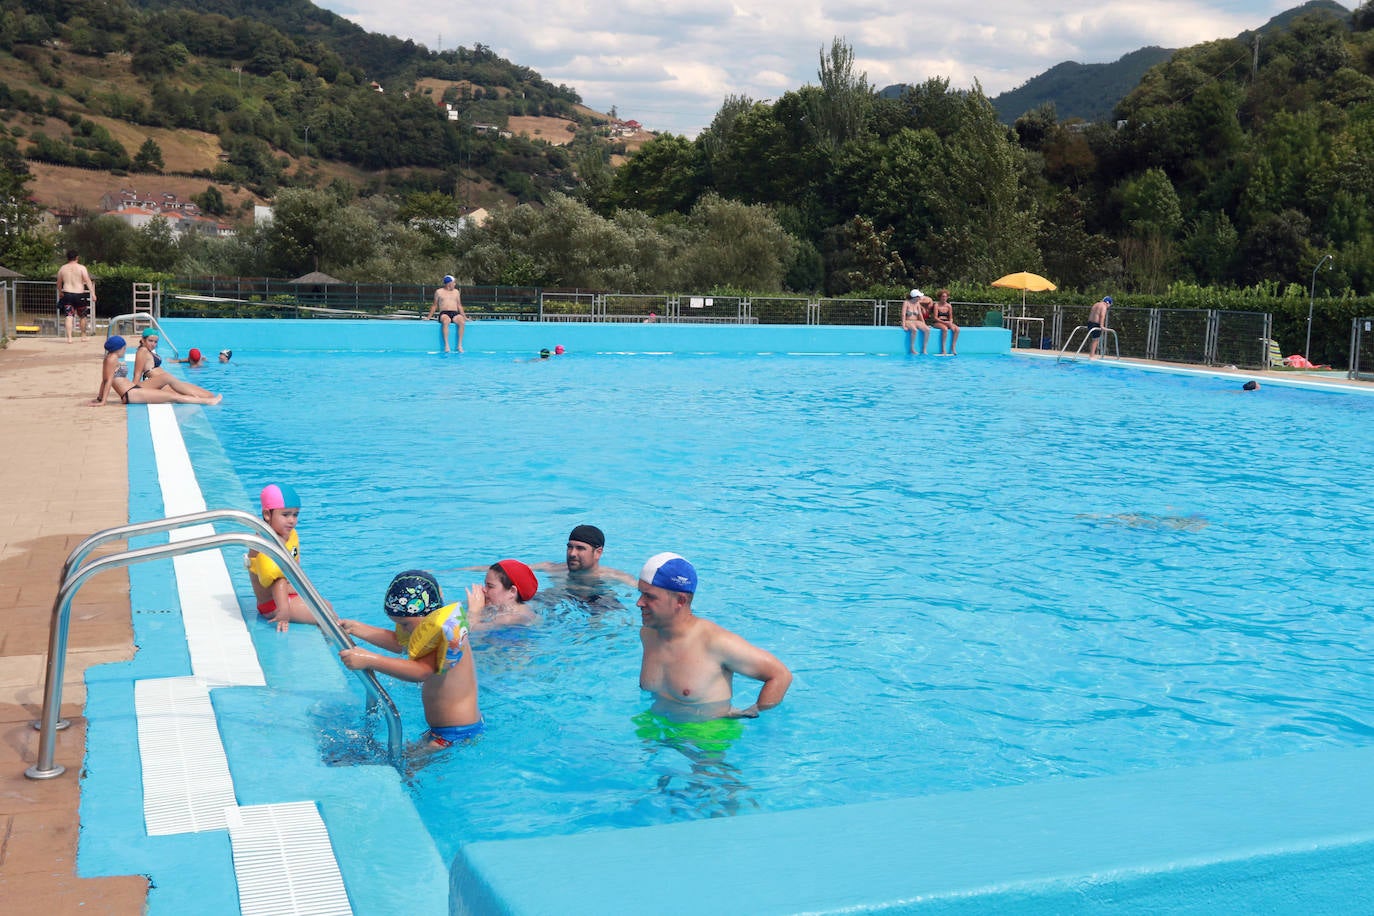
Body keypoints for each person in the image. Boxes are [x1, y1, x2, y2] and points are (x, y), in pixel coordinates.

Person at [637, 552, 792, 721]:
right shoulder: (648, 634)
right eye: (641, 593)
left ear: (680, 600)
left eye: (649, 596)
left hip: (704, 739)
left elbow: (780, 675)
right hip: (654, 726)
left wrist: (753, 714)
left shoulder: (717, 643)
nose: (639, 602)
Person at [339, 570, 483, 749]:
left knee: (406, 771)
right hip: (446, 730)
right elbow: (399, 643)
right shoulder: (427, 626)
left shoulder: (440, 636)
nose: (402, 629)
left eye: (404, 624)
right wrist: (355, 627)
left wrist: (370, 660)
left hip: (455, 733)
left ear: (424, 614)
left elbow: (421, 671)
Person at [246, 484, 324, 632]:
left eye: (295, 514)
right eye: (286, 514)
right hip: (273, 604)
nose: (292, 520)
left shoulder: (285, 536)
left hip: (286, 596)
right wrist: (284, 611)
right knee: (325, 615)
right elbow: (277, 579)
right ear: (267, 515)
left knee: (327, 608)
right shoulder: (267, 542)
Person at [90, 336, 222, 406]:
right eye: (124, 348)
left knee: (167, 377)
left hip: (133, 388)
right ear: (118, 348)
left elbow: (106, 380)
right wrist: (102, 401)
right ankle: (207, 401)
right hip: (130, 394)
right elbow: (107, 380)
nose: (125, 351)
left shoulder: (111, 358)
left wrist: (100, 397)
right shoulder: (111, 359)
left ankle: (194, 396)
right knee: (173, 397)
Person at [531, 524, 636, 605]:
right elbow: (516, 570)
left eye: (580, 548)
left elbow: (645, 591)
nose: (572, 553)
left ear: (598, 552)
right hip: (561, 599)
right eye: (570, 547)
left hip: (598, 602)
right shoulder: (551, 568)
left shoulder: (616, 577)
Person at [132, 327, 218, 399]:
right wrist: (132, 392)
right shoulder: (142, 351)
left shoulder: (148, 351)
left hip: (170, 383)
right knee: (207, 396)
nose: (153, 344)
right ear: (143, 340)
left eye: (155, 342)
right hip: (163, 386)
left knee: (209, 394)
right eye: (150, 341)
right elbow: (137, 373)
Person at [468, 559, 539, 630]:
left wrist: (475, 611)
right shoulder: (503, 607)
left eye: (490, 586)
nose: (484, 589)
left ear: (512, 591)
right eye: (485, 584)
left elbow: (470, 631)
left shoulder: (510, 618)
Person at [56, 250, 96, 343]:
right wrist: (93, 293)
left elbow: (58, 282)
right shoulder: (81, 268)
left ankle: (69, 338)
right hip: (79, 295)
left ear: (67, 258)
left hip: (67, 294)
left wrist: (60, 292)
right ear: (77, 258)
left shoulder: (62, 268)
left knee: (69, 316)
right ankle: (83, 336)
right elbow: (88, 281)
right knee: (82, 316)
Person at [425, 275, 466, 353]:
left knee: (461, 321)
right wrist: (428, 317)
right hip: (444, 313)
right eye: (454, 283)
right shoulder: (439, 292)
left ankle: (459, 345)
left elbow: (459, 305)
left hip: (454, 312)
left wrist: (465, 317)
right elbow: (434, 305)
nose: (455, 284)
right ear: (449, 283)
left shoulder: (456, 292)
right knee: (446, 321)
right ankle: (446, 345)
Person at [900, 289, 929, 355]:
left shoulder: (917, 303)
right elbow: (903, 314)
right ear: (915, 297)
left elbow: (920, 314)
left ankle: (924, 349)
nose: (920, 298)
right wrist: (904, 325)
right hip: (908, 321)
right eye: (919, 296)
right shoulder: (906, 302)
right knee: (914, 330)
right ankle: (912, 348)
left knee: (927, 329)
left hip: (916, 321)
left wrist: (924, 324)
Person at [932, 289, 960, 356]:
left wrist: (950, 322)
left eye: (945, 296)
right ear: (940, 297)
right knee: (944, 329)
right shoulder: (936, 305)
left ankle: (953, 347)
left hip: (947, 322)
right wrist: (945, 323)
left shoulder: (949, 306)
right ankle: (943, 349)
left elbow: (951, 317)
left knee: (957, 329)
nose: (944, 298)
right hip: (938, 322)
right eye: (943, 296)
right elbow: (935, 318)